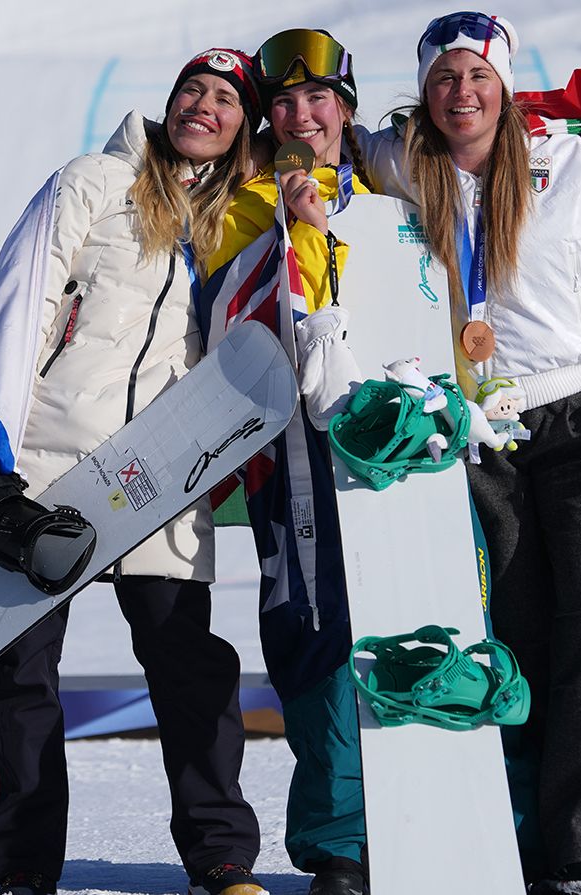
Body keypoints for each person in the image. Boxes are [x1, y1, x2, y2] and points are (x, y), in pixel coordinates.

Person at [0, 49, 272, 895]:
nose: (204, 105)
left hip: (161, 474)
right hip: (52, 464)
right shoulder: (95, 181)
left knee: (190, 667)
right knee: (24, 675)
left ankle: (221, 858)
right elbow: (22, 304)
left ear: (241, 129)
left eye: (225, 98)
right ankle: (26, 871)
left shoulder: (238, 224)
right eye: (193, 89)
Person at [362, 12, 581, 895]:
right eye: (442, 80)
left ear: (506, 85)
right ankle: (522, 844)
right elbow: (326, 139)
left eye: (477, 76)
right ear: (423, 96)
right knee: (515, 632)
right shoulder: (403, 166)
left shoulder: (572, 156)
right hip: (484, 433)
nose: (460, 93)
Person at [197, 27, 376, 895]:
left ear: (345, 105)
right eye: (285, 102)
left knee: (431, 612)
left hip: (403, 441)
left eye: (320, 99)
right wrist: (296, 226)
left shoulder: (391, 186)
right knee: (317, 626)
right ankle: (341, 841)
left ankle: (443, 810)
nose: (304, 116)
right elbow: (238, 306)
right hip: (298, 452)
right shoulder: (244, 203)